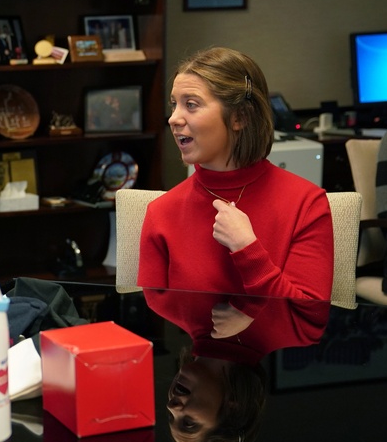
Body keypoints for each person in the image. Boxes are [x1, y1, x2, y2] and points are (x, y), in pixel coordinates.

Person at [138, 47, 334, 299]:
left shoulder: (307, 205)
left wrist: (246, 248)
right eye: (175, 105)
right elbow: (162, 320)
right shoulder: (161, 212)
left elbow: (310, 318)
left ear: (239, 116)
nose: (173, 119)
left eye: (191, 105)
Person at [145, 288, 329, 442]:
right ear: (234, 408)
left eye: (171, 418)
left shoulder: (160, 301)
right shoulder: (303, 327)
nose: (171, 407)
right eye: (189, 423)